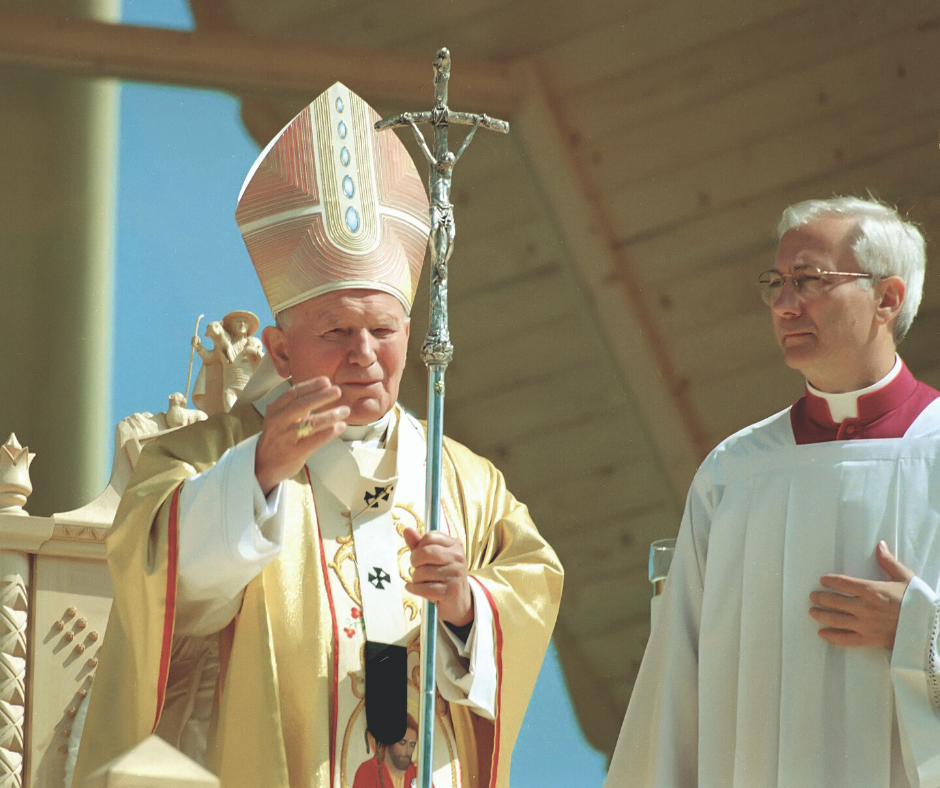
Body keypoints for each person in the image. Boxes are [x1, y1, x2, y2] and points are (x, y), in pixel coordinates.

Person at [74, 83, 563, 788]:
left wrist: (464, 606)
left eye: (383, 330)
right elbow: (163, 593)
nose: (364, 353)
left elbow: (532, 585)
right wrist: (259, 476)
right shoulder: (200, 459)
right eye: (337, 331)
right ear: (278, 353)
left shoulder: (466, 481)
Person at [605, 196, 940, 788]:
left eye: (809, 280)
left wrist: (920, 632)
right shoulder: (733, 473)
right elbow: (675, 682)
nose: (784, 306)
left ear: (887, 299)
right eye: (776, 284)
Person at [352, 718, 419, 788]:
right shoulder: (368, 770)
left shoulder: (417, 774)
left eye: (412, 745)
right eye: (402, 743)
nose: (408, 751)